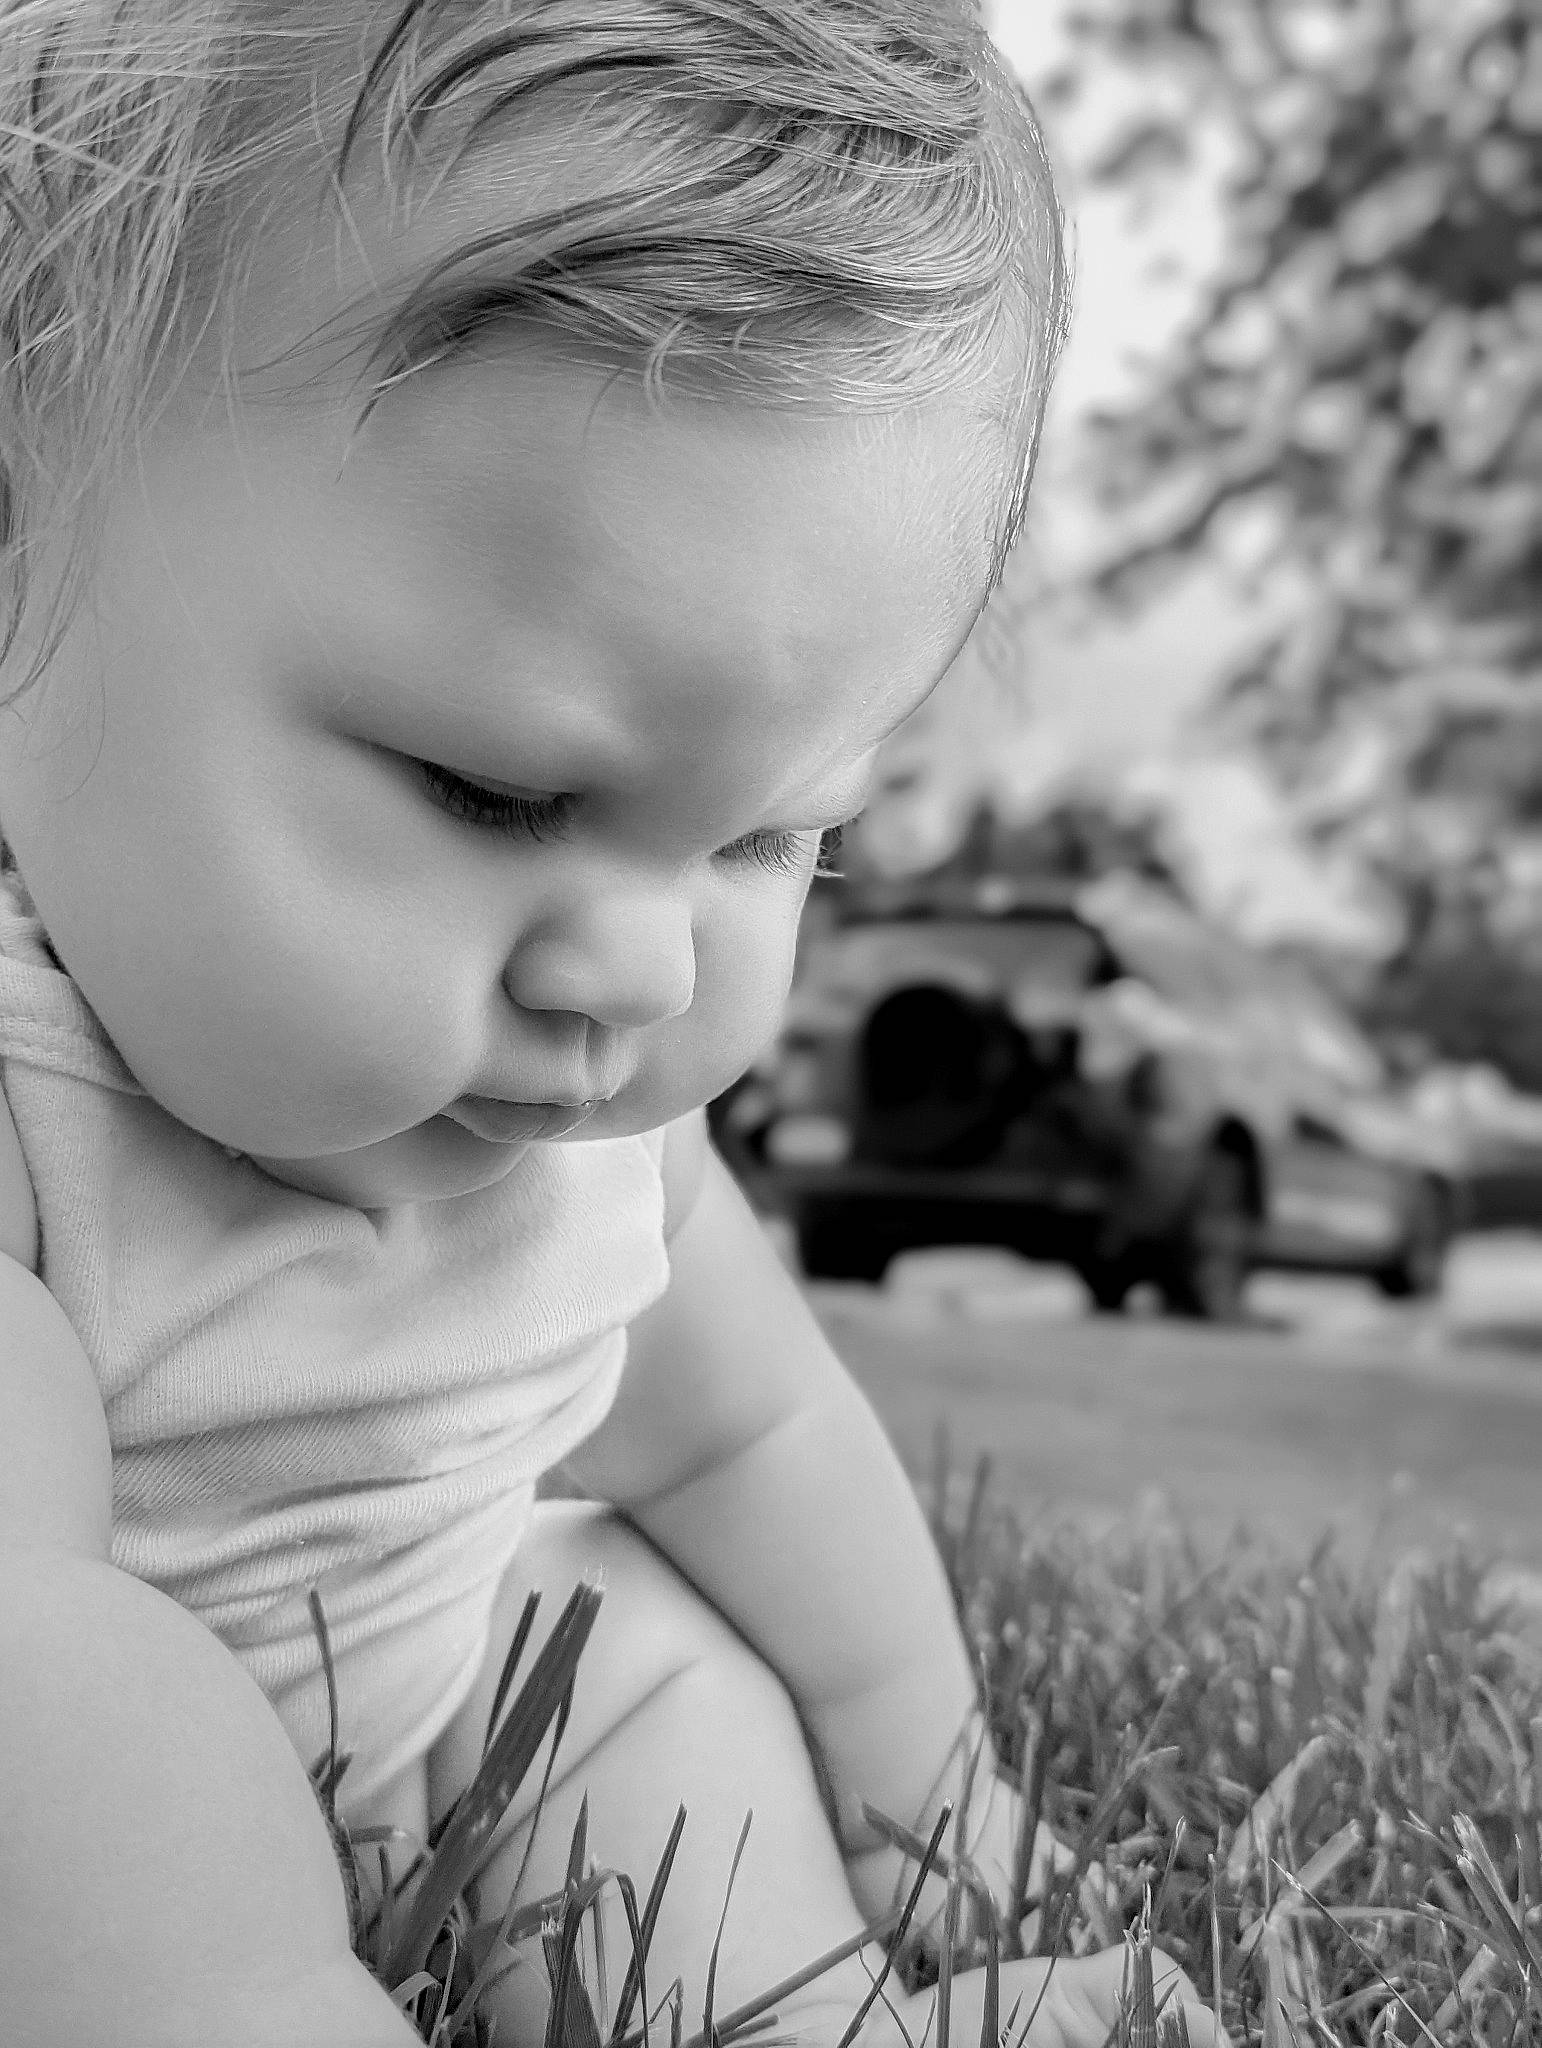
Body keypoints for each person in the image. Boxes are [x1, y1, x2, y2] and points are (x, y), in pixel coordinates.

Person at [0, 4, 1221, 2043]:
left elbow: (752, 1433)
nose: (638, 972)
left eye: (766, 835)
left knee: (625, 1640)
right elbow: (28, 1660)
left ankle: (811, 2014)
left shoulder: (590, 1152)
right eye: (497, 791)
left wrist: (939, 1805)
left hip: (426, 1712)